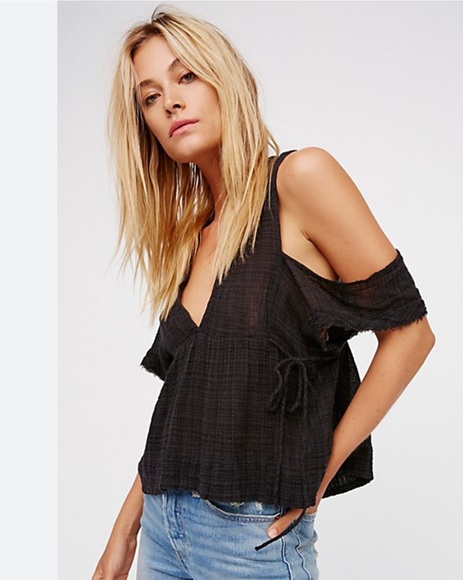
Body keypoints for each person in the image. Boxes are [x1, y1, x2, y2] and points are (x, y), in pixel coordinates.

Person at [92, 5, 435, 580]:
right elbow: (182, 405)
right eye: (150, 97)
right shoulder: (195, 236)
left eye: (185, 76)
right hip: (160, 532)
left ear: (228, 80)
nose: (170, 102)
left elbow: (411, 334)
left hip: (249, 538)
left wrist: (318, 473)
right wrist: (123, 533)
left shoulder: (300, 180)